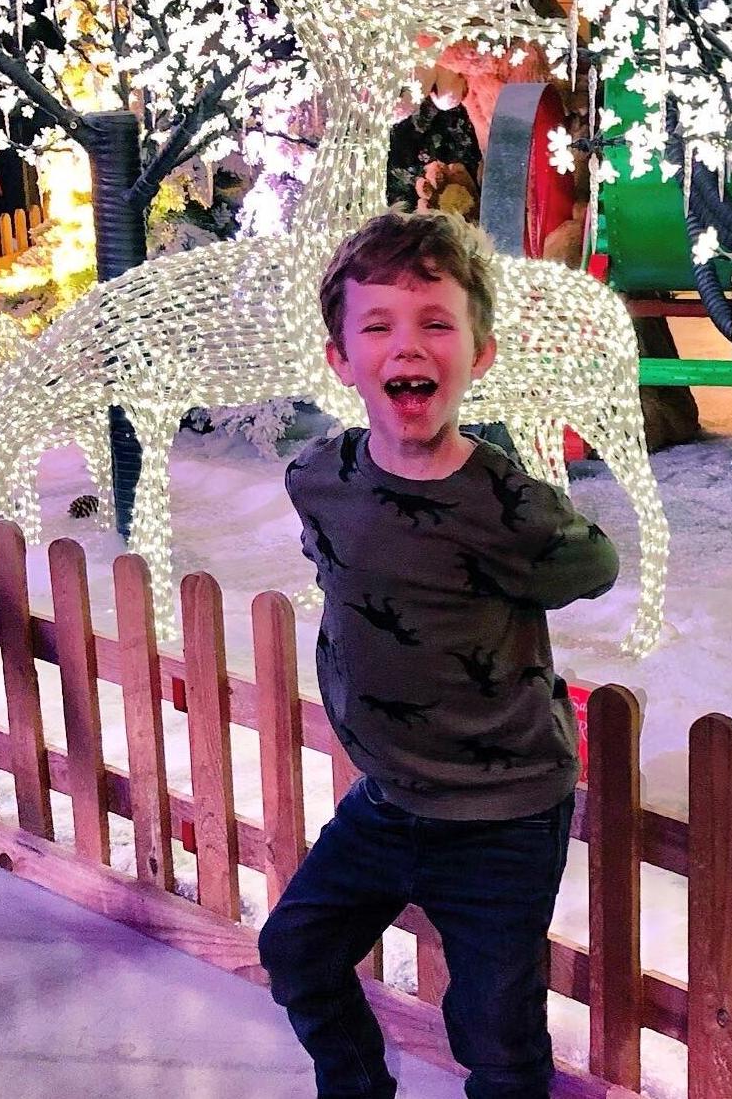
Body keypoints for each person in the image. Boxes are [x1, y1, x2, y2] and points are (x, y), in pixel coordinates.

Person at [262, 209, 619, 1099]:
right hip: (388, 801)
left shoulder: (503, 503)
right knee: (297, 948)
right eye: (376, 326)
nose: (405, 345)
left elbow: (594, 564)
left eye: (436, 324)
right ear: (341, 360)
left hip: (503, 813)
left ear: (478, 354)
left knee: (492, 1033)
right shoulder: (319, 480)